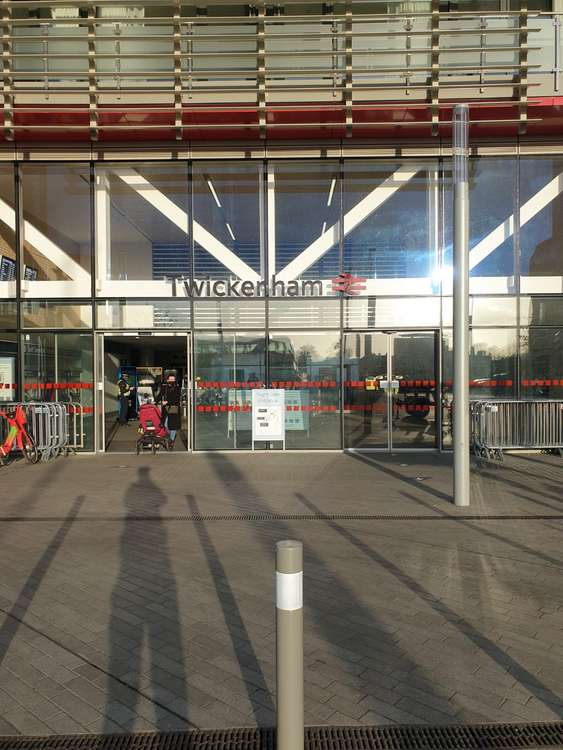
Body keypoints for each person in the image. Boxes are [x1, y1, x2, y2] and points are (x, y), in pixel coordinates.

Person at [159, 372, 182, 449]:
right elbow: (159, 395)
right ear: (167, 380)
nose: (172, 381)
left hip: (174, 408)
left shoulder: (177, 388)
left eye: (173, 379)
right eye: (171, 379)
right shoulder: (164, 388)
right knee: (165, 424)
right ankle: (173, 434)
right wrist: (154, 401)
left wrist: (167, 402)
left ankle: (171, 440)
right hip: (166, 409)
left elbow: (177, 399)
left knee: (173, 425)